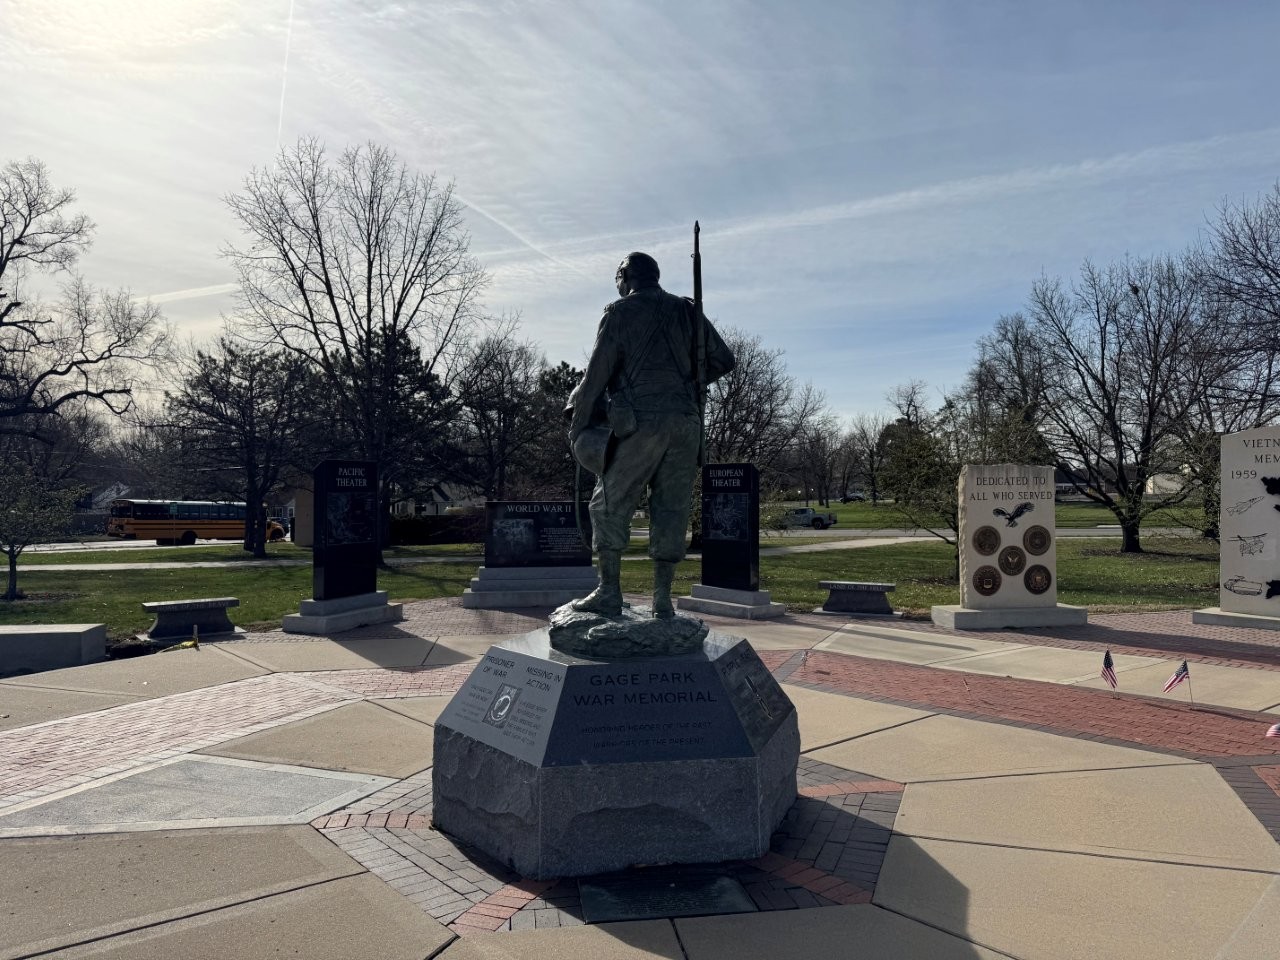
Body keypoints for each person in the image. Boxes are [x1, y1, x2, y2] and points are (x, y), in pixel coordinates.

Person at [565, 251, 735, 618]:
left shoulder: (619, 312)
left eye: (618, 278)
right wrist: (688, 383)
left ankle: (609, 593)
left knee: (607, 504)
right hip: (687, 423)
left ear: (626, 277)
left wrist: (578, 424)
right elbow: (724, 360)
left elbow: (596, 374)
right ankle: (662, 602)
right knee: (671, 509)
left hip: (641, 423)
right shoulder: (688, 311)